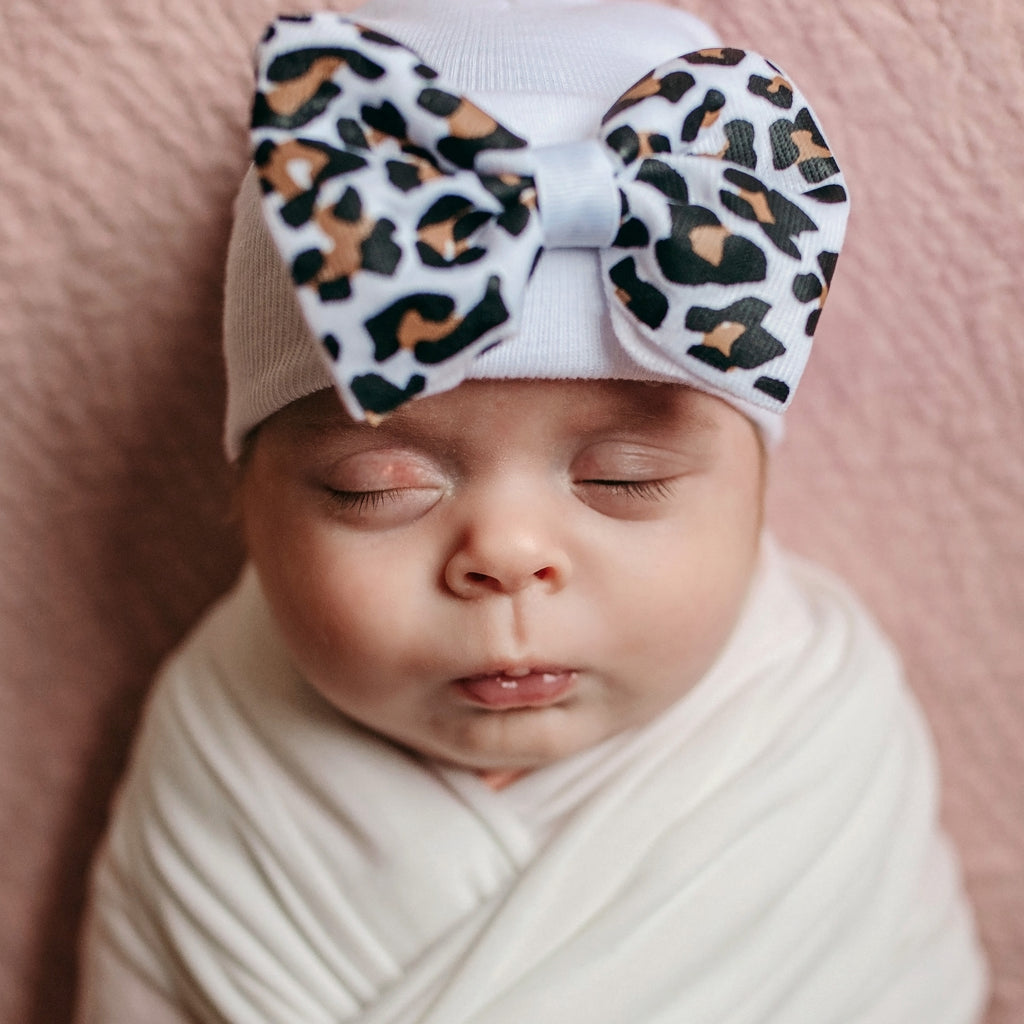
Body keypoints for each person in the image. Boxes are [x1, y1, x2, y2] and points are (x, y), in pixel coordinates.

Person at [75, 1, 989, 1021]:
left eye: (624, 478)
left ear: (756, 500)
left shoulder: (825, 737)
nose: (507, 555)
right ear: (244, 501)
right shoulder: (217, 742)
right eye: (379, 487)